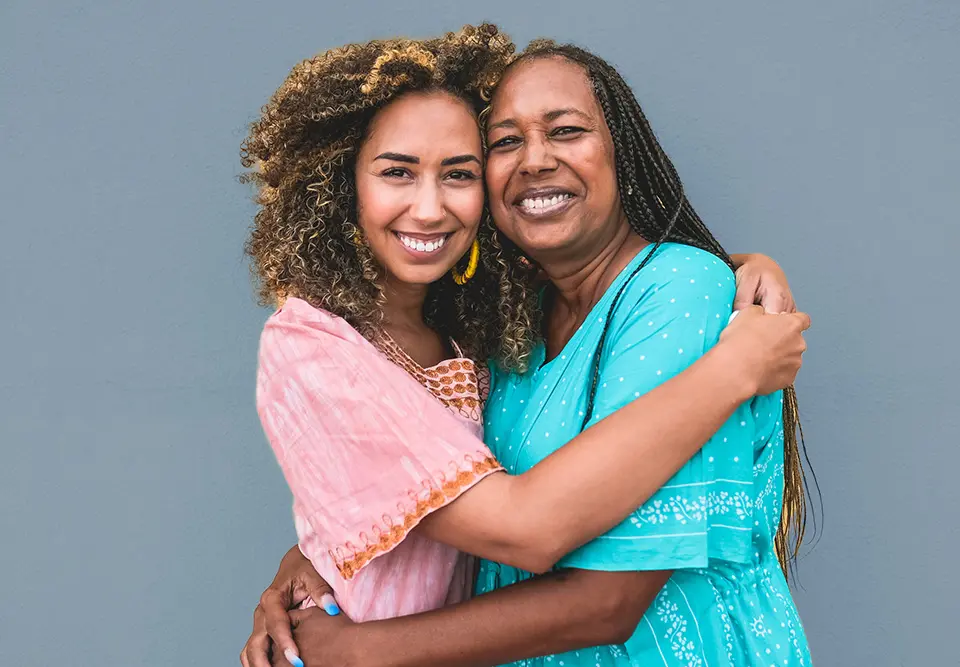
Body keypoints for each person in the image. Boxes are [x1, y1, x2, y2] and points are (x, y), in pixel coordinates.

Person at [241, 26, 812, 667]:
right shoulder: (507, 326)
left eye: (566, 130)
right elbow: (425, 487)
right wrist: (307, 561)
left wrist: (359, 651)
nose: (535, 159)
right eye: (505, 142)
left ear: (621, 150)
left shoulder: (683, 288)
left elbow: (607, 601)